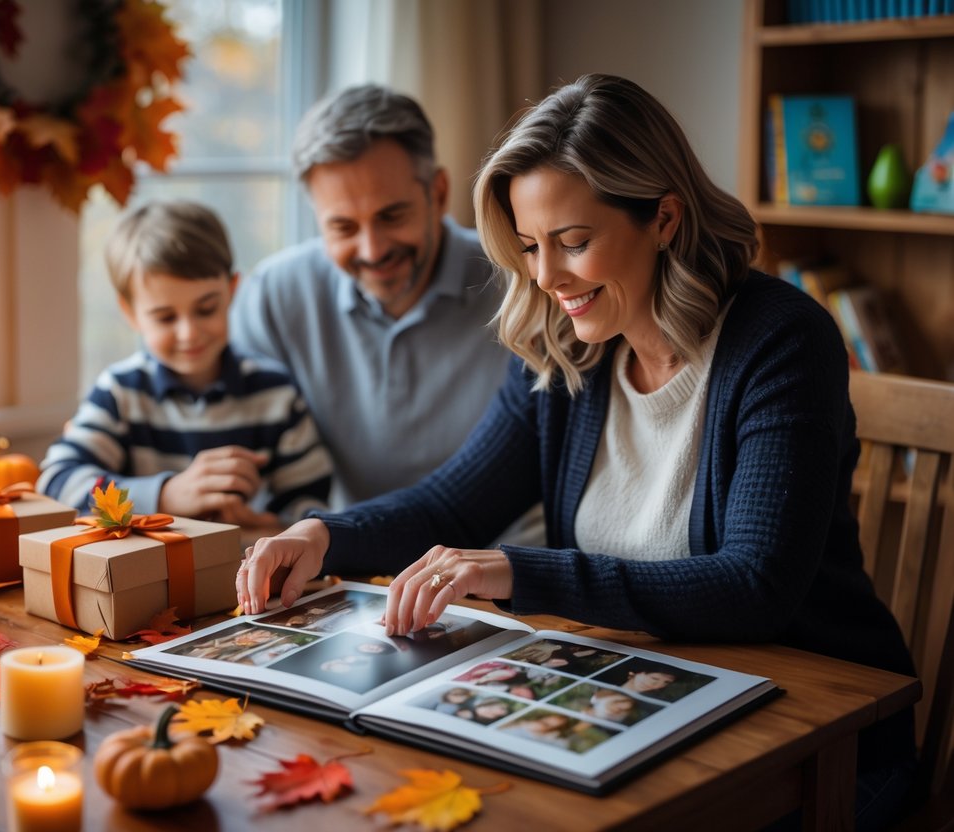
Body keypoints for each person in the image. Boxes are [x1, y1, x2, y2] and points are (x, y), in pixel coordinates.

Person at [237, 74, 916, 826]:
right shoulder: (567, 347)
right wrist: (320, 535)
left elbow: (753, 586)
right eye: (529, 246)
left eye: (573, 242)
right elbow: (454, 503)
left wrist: (515, 572)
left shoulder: (779, 339)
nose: (545, 277)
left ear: (662, 217)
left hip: (821, 740)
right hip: (646, 700)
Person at [229, 84, 542, 544]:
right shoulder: (273, 297)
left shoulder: (523, 282)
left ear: (438, 193)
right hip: (340, 566)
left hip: (502, 570)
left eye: (392, 216)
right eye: (343, 227)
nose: (372, 250)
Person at [37, 200, 332, 531]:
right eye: (165, 318)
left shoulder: (275, 393)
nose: (189, 333)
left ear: (232, 291)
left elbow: (314, 505)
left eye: (206, 309)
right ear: (130, 313)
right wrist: (163, 496)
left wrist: (267, 524)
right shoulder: (120, 393)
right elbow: (56, 480)